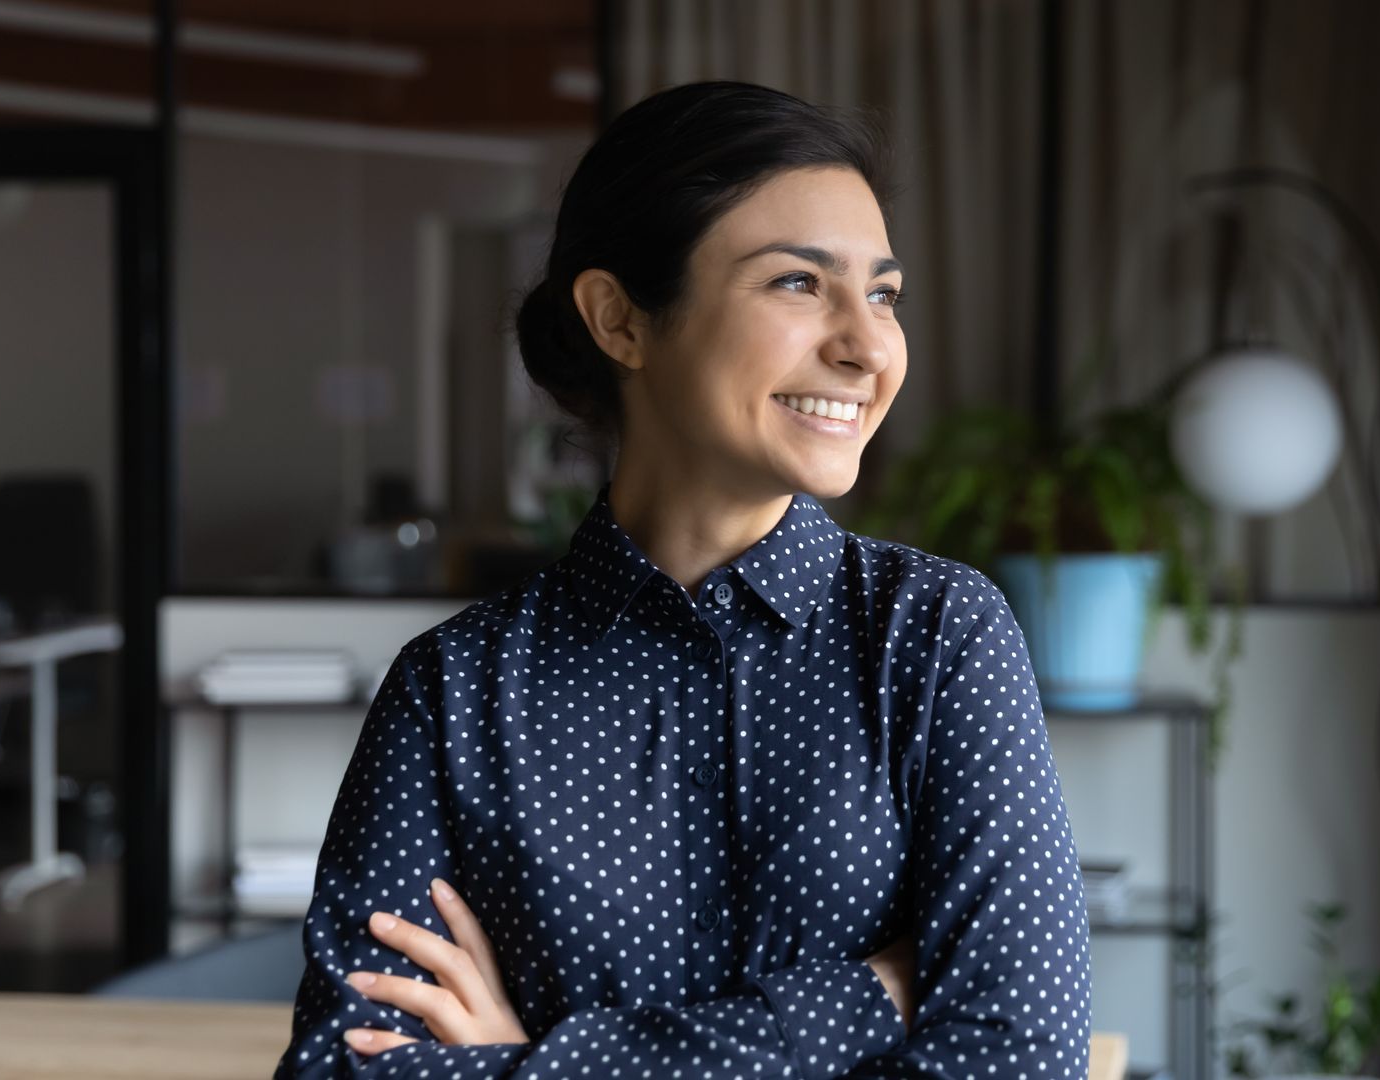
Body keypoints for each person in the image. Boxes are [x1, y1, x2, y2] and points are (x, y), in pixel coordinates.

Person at [273, 79, 1091, 1079]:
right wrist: (864, 997)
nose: (869, 345)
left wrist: (539, 1063)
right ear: (620, 320)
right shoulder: (454, 692)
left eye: (883, 294)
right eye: (799, 284)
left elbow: (1015, 1060)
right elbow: (340, 1071)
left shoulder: (936, 637)